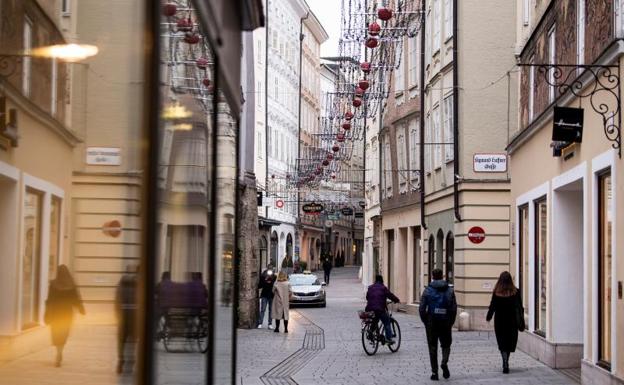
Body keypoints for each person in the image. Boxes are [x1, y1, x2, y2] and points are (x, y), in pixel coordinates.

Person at [44, 265, 86, 367]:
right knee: (64, 333)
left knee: (56, 333)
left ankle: (58, 351)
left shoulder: (53, 284)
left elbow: (50, 300)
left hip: (56, 313)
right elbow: (76, 298)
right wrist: (81, 309)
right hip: (67, 313)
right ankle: (60, 351)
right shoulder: (71, 284)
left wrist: (47, 313)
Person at [419, 268, 457, 381]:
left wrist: (425, 321)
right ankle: (444, 362)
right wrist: (451, 322)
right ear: (442, 276)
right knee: (446, 344)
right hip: (445, 321)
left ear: (432, 276)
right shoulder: (450, 290)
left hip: (432, 321)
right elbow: (454, 307)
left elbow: (421, 308)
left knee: (432, 347)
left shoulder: (427, 290)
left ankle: (434, 372)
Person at [486, 271, 525, 374]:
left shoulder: (496, 293)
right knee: (509, 342)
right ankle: (506, 360)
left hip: (500, 321)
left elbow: (492, 306)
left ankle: (505, 361)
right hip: (512, 322)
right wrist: (521, 319)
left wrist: (488, 317)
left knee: (502, 342)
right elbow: (520, 307)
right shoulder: (516, 292)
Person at [115, 265, 138, 374]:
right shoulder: (137, 285)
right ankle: (131, 361)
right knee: (132, 341)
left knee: (121, 341)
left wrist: (117, 315)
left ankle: (121, 360)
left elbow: (117, 300)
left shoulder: (120, 284)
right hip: (133, 316)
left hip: (123, 316)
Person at [365, 275, 400, 344]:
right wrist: (397, 300)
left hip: (369, 309)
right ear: (382, 280)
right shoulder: (383, 288)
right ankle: (389, 338)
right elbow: (390, 295)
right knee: (387, 321)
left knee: (375, 319)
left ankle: (371, 332)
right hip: (379, 309)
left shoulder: (370, 287)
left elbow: (367, 297)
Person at [257, 264, 276, 329]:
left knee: (271, 310)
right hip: (264, 294)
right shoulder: (263, 276)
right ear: (267, 269)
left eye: (271, 268)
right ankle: (260, 323)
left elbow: (275, 285)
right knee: (263, 309)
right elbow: (259, 286)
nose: (270, 270)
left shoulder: (274, 276)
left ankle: (270, 324)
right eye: (269, 268)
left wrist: (271, 280)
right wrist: (265, 280)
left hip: (271, 295)